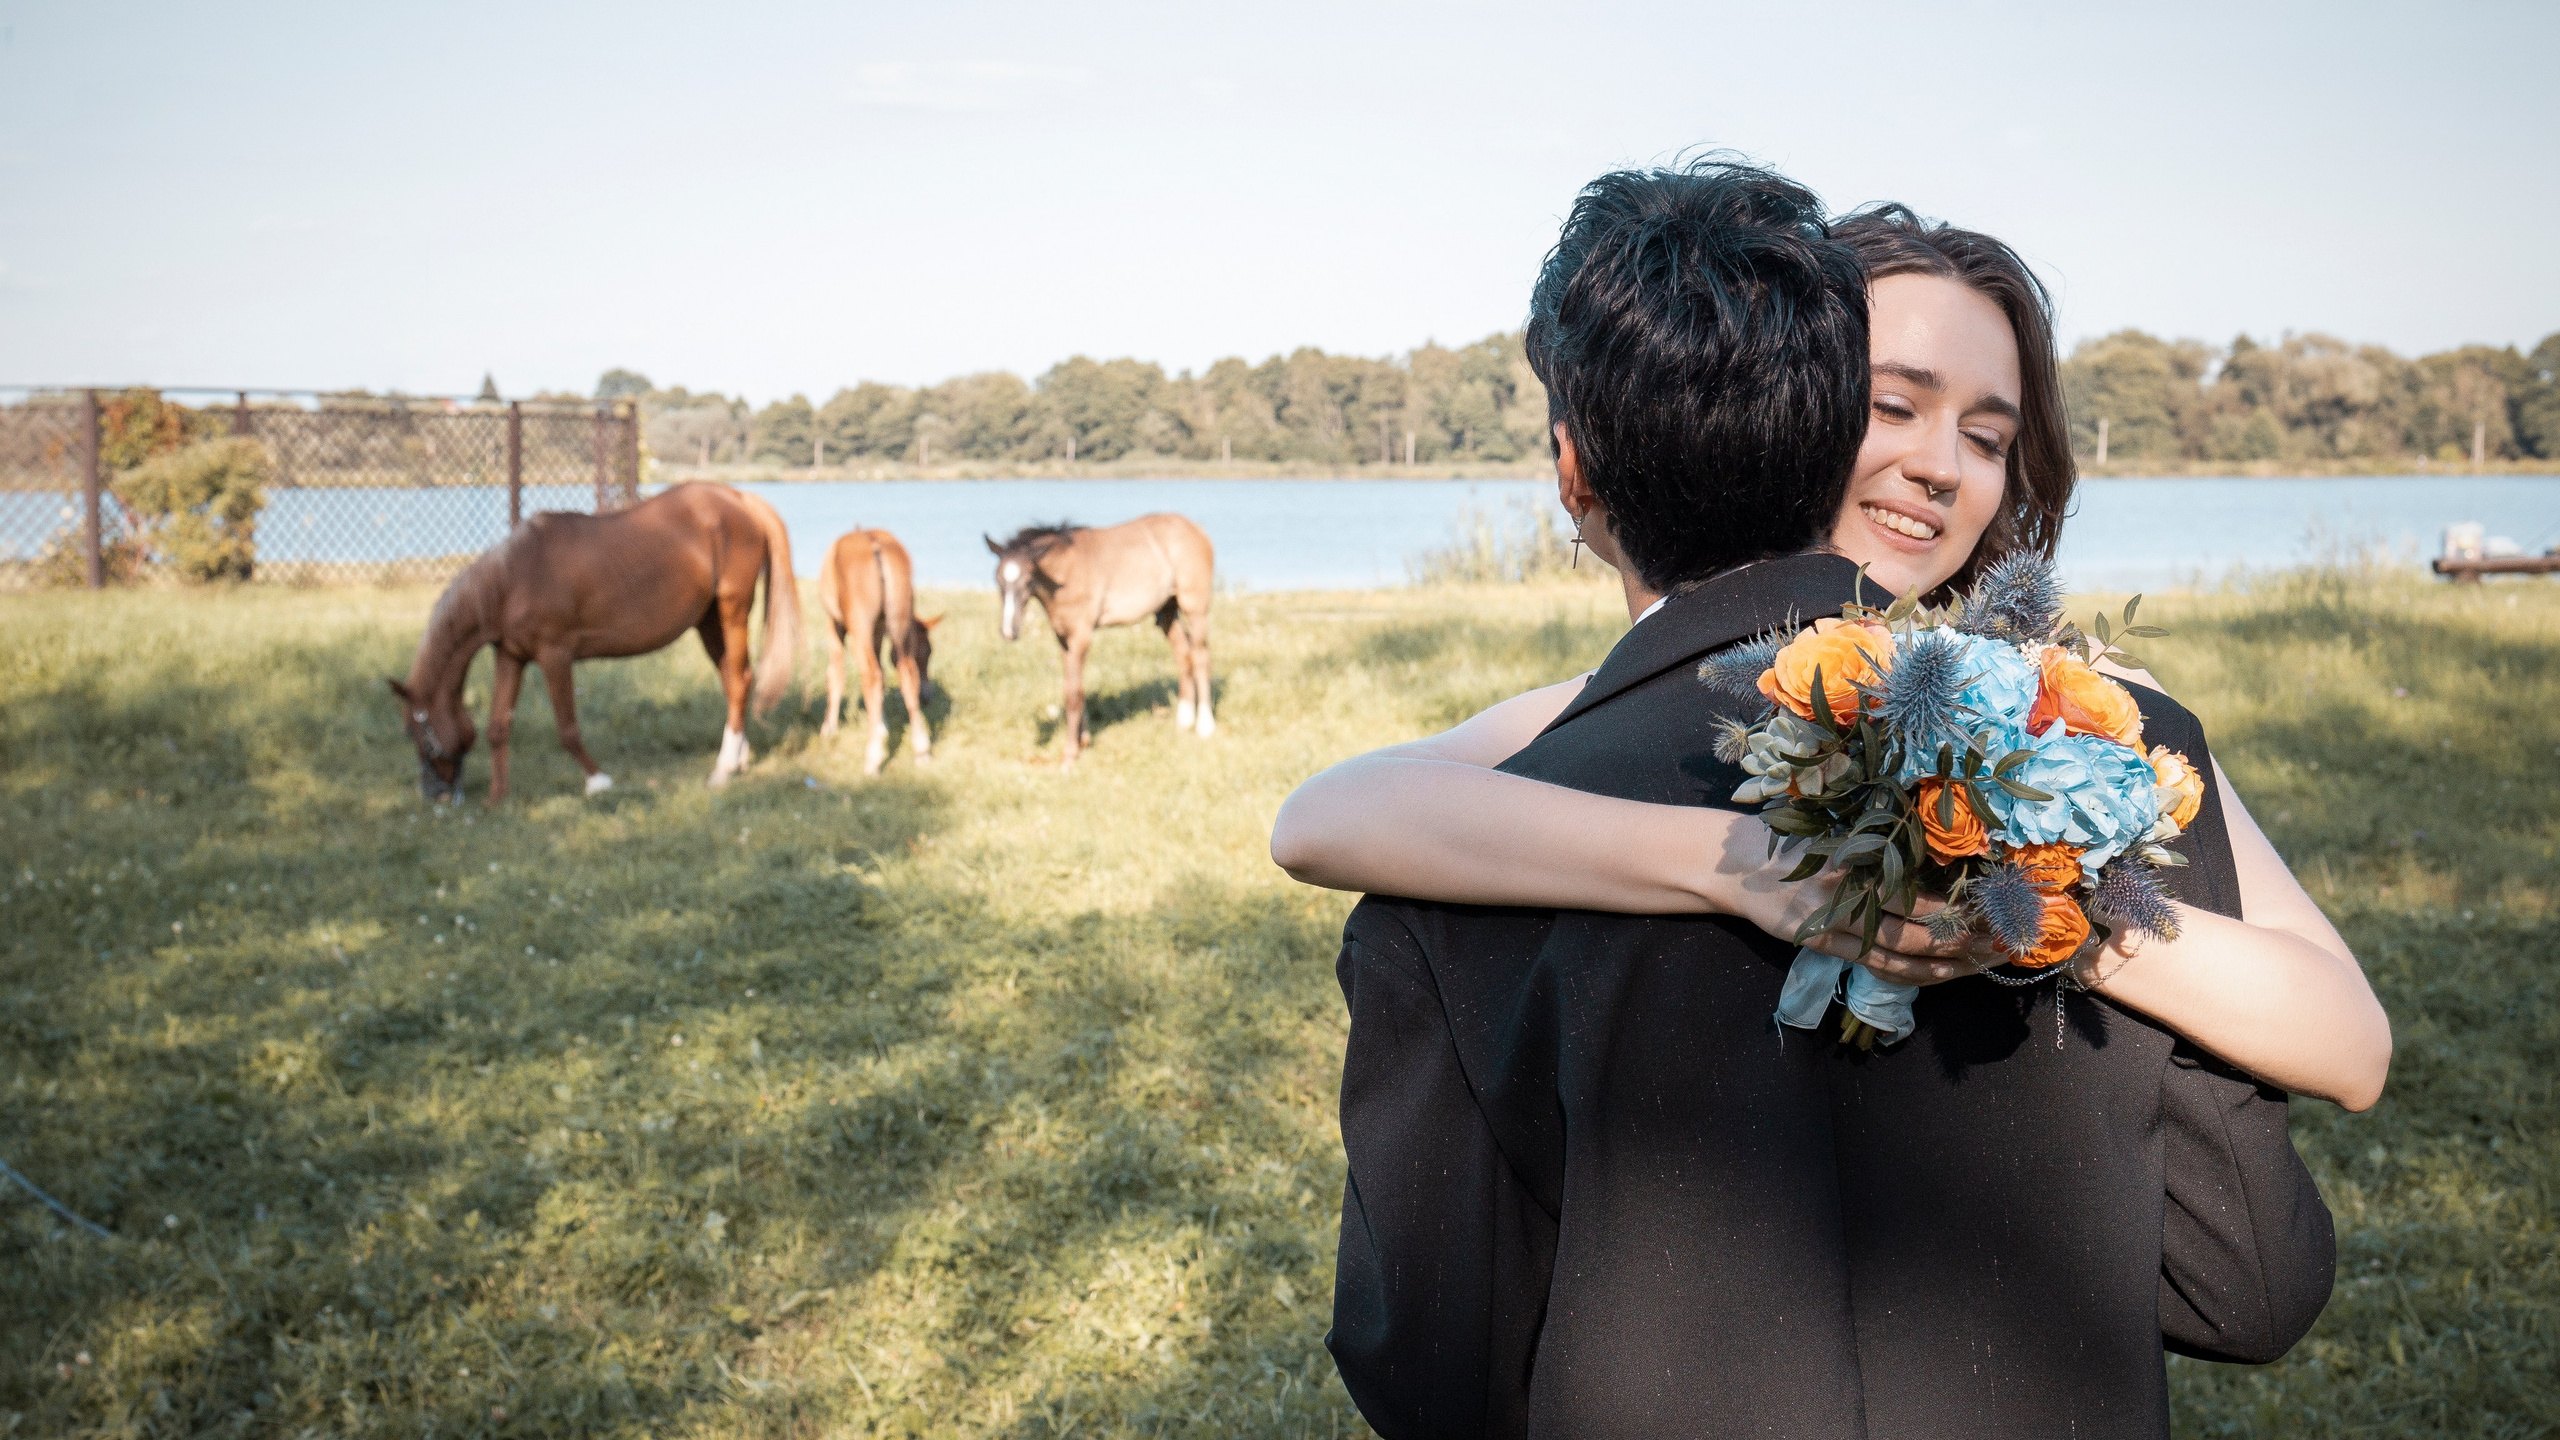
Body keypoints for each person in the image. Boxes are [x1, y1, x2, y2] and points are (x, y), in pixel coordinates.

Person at [1276, 172, 2381, 1438]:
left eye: (1986, 437)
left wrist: (2033, 900)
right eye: (1892, 405)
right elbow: (1329, 816)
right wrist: (1734, 860)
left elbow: (2348, 1044)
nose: (1937, 467)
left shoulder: (2093, 733)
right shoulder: (1585, 724)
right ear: (1785, 405)